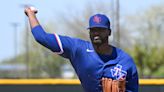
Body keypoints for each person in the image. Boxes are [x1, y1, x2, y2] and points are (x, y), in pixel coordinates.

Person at [25, 7, 138, 92]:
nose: (96, 33)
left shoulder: (125, 61)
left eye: (100, 29)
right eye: (93, 30)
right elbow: (41, 37)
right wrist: (31, 13)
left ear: (109, 32)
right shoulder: (78, 49)